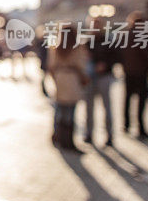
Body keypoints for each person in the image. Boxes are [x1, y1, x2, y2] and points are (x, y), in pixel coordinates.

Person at [48, 22, 88, 153]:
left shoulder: (55, 48)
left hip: (60, 79)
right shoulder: (78, 48)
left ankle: (58, 137)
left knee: (60, 110)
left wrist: (56, 79)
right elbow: (82, 64)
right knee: (70, 112)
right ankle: (68, 141)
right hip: (72, 79)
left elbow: (51, 67)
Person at [84, 18, 117, 147]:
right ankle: (89, 133)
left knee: (107, 107)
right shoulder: (86, 41)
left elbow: (115, 56)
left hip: (104, 76)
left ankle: (109, 135)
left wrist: (105, 65)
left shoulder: (108, 40)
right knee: (89, 108)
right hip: (90, 78)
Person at [120, 11, 148, 140]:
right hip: (141, 72)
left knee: (128, 98)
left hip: (129, 71)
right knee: (141, 100)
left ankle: (126, 124)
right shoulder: (143, 35)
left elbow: (120, 53)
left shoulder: (125, 34)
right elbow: (146, 53)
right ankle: (140, 128)